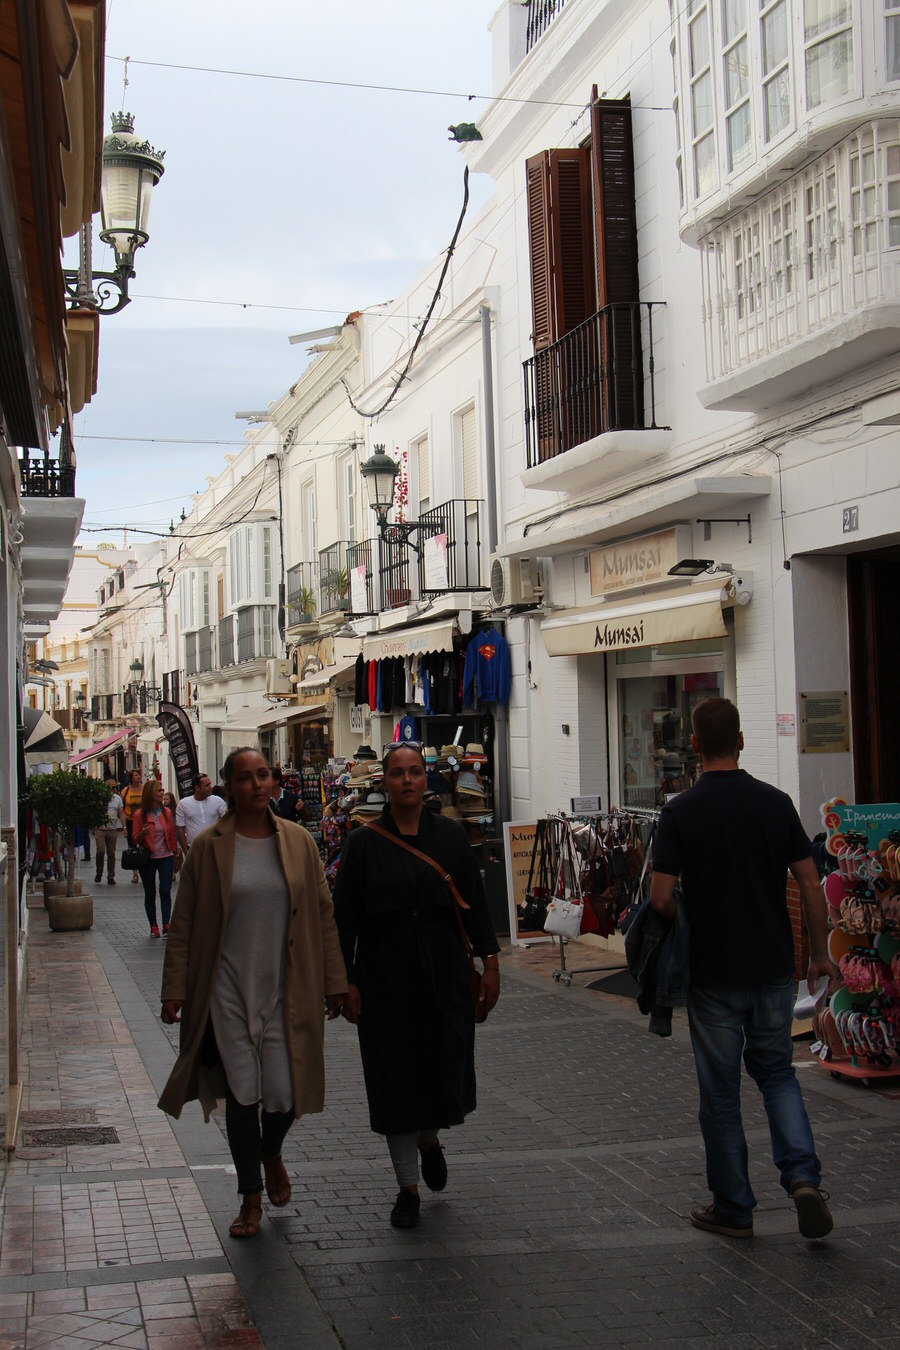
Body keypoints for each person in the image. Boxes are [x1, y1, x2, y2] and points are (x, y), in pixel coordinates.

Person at [649, 697, 834, 1241]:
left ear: (696, 747)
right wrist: (819, 953)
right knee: (777, 1074)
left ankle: (733, 1206)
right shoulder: (775, 804)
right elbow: (809, 884)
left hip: (713, 971)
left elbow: (660, 898)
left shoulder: (680, 811)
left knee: (721, 1091)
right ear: (743, 742)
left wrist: (692, 914)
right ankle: (803, 1177)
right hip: (773, 965)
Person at [158, 747, 348, 1241]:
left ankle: (270, 1154)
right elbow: (183, 925)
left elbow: (324, 917)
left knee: (286, 1096)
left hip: (287, 986)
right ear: (229, 787)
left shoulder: (300, 842)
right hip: (227, 989)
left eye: (263, 775)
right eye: (245, 778)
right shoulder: (208, 847)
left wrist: (335, 980)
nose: (257, 785)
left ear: (273, 781)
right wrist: (174, 988)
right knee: (243, 1095)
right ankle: (249, 1197)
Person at [332, 743, 500, 1230]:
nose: (407, 780)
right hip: (385, 977)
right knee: (394, 1081)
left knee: (437, 1067)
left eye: (415, 772)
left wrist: (490, 964)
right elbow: (345, 921)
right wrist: (345, 980)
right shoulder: (362, 844)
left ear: (427, 780)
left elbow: (476, 907)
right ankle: (406, 1186)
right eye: (397, 773)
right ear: (384, 781)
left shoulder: (449, 838)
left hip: (443, 974)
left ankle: (429, 1139)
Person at [132, 780, 180, 937]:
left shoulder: (165, 812)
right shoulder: (140, 814)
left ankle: (166, 923)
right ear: (150, 793)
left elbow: (172, 834)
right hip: (148, 858)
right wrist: (142, 834)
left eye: (162, 790)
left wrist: (175, 854)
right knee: (150, 892)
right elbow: (135, 839)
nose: (162, 793)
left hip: (165, 856)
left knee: (165, 890)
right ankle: (153, 925)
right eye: (159, 790)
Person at [175, 773, 227, 854]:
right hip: (194, 849)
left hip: (214, 848)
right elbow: (180, 828)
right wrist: (186, 851)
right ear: (197, 788)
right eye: (207, 785)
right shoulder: (183, 803)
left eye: (210, 784)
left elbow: (227, 821)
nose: (210, 787)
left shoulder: (218, 801)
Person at [95, 775, 126, 885]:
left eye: (115, 787)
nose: (114, 789)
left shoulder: (117, 799)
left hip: (112, 829)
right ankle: (99, 872)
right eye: (111, 787)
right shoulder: (99, 797)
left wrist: (124, 827)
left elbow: (121, 813)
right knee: (100, 850)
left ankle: (111, 876)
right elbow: (95, 811)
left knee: (111, 853)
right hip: (101, 828)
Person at [122, 768, 144, 884]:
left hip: (143, 821)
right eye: (136, 775)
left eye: (139, 775)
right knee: (132, 846)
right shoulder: (125, 791)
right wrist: (124, 827)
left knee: (144, 845)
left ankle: (144, 868)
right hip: (130, 822)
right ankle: (135, 873)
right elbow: (121, 809)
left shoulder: (145, 789)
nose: (138, 777)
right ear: (131, 778)